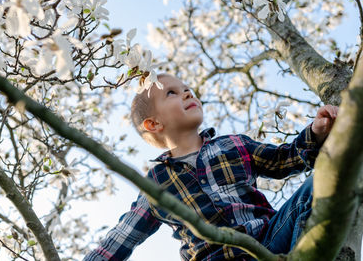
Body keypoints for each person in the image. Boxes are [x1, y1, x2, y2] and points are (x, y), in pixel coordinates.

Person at [83, 74, 338, 261]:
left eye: (187, 88)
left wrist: (315, 133)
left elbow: (285, 160)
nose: (187, 93)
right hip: (213, 258)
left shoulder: (234, 144)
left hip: (269, 242)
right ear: (153, 124)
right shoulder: (156, 183)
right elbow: (122, 237)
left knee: (320, 185)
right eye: (171, 93)